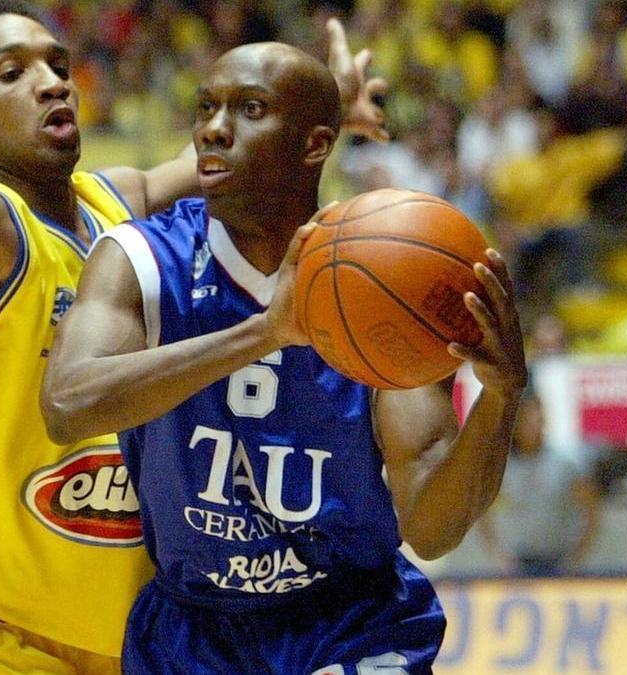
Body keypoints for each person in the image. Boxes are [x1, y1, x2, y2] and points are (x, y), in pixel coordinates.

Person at [0, 0, 388, 670]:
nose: (53, 81)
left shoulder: (113, 204)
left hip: (123, 641)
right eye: (12, 72)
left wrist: (321, 106)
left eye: (57, 64)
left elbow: (214, 158)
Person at [40, 42, 528, 673]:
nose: (213, 129)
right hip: (192, 627)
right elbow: (68, 406)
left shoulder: (385, 283)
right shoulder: (140, 258)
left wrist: (501, 397)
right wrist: (267, 332)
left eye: (249, 108)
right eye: (207, 107)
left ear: (314, 146)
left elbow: (432, 528)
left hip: (350, 621)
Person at [478, 389, 602, 577]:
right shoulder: (500, 469)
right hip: (516, 563)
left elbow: (592, 511)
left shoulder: (565, 465)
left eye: (537, 417)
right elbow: (482, 514)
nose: (533, 425)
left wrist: (576, 557)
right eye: (526, 419)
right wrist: (498, 555)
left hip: (558, 561)